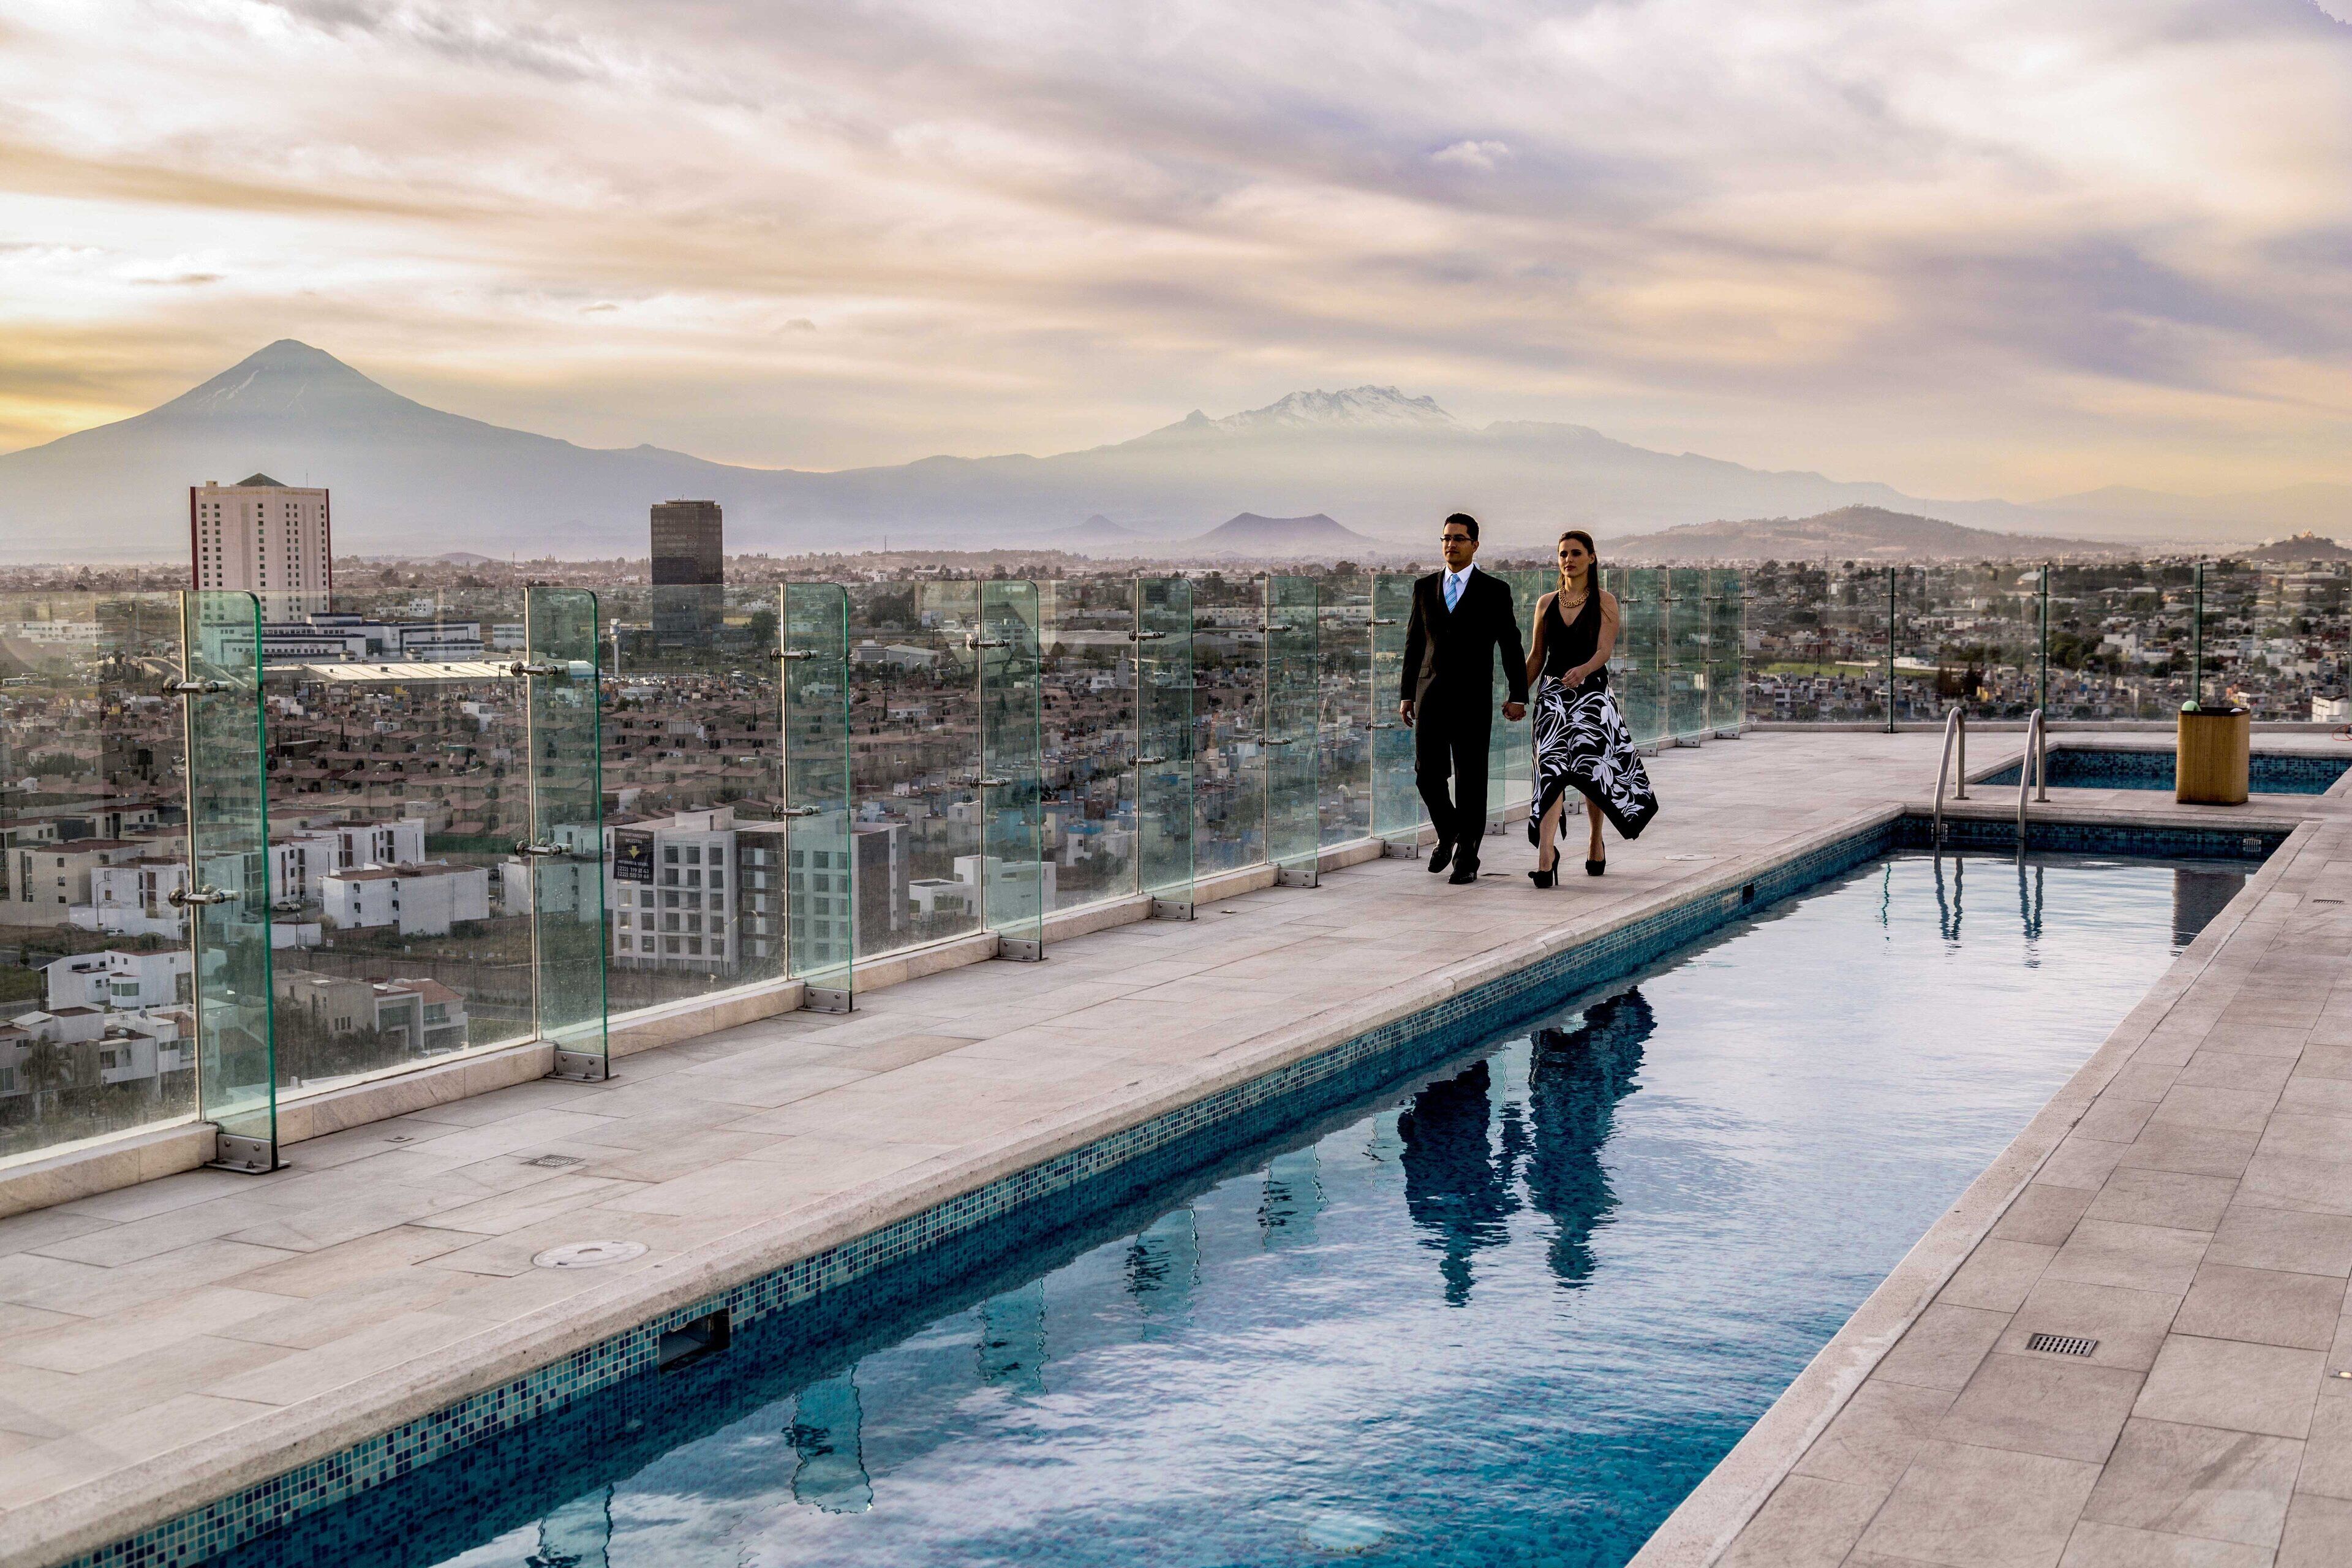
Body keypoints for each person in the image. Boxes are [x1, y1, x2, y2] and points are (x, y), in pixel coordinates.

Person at [1398, 512, 1528, 885]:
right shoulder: (1424, 587)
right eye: (1445, 538)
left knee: (1472, 780)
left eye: (1458, 538)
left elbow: (1510, 645)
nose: (1450, 544)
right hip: (1430, 697)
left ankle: (1468, 856)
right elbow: (1414, 645)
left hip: (1473, 700)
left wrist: (1518, 693)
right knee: (1427, 776)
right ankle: (1450, 830)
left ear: (1474, 544)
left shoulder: (1494, 590)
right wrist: (1407, 694)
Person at [1524, 529, 1658, 886]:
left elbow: (1604, 651)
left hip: (1593, 697)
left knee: (1590, 773)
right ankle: (1545, 856)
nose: (1569, 559)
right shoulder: (1545, 603)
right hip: (1552, 698)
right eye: (1563, 553)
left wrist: (1582, 671)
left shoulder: (1605, 601)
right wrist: (1517, 693)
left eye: (1576, 553)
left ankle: (1595, 841)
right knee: (1551, 773)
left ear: (1592, 558)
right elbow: (1537, 656)